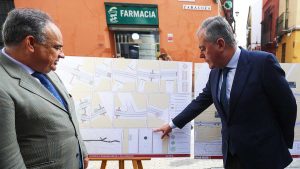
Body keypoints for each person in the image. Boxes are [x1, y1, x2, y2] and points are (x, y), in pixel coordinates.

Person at [155, 16, 297, 169]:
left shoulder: (263, 63)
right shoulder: (215, 72)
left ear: (220, 44)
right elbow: (200, 102)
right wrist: (172, 124)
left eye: (203, 48)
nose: (201, 55)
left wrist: (281, 144)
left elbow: (287, 106)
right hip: (232, 158)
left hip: (264, 158)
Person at [0, 8, 89, 169]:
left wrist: (81, 150)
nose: (62, 54)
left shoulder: (43, 66)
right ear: (31, 44)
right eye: (56, 47)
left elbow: (65, 111)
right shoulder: (3, 86)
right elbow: (7, 160)